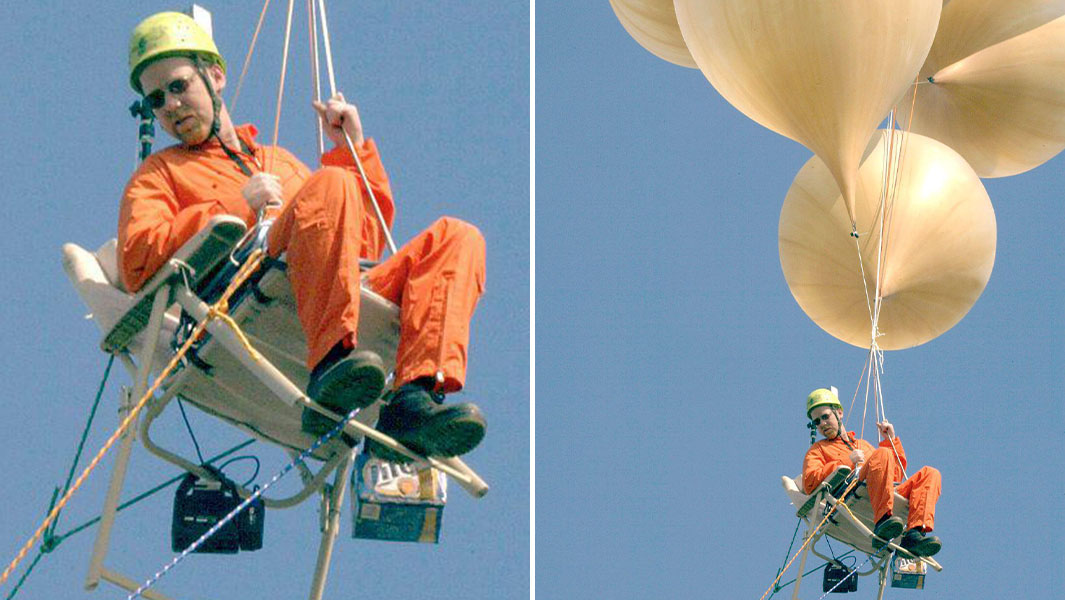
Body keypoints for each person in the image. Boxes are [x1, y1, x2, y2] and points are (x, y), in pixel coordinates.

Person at [118, 11, 487, 462]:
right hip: (248, 298)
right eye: (157, 99)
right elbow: (136, 259)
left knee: (458, 236)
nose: (171, 106)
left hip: (326, 292)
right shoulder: (158, 175)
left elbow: (361, 248)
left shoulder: (280, 160)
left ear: (214, 76)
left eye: (178, 86)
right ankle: (332, 365)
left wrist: (350, 150)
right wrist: (236, 205)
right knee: (331, 185)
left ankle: (414, 399)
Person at [802, 388, 943, 557]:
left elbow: (894, 476)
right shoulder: (817, 450)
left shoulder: (862, 444)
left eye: (825, 417)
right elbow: (810, 482)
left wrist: (889, 441)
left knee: (931, 473)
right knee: (882, 454)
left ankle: (914, 534)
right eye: (817, 421)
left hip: (881, 494)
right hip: (851, 496)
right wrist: (846, 462)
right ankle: (883, 522)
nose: (822, 424)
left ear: (839, 413)